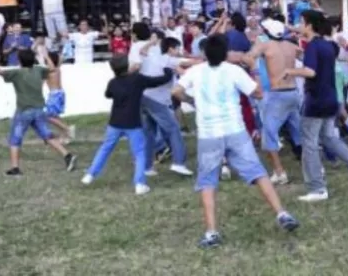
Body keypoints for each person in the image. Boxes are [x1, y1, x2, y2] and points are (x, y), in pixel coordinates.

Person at [172, 34, 299, 248]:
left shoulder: (196, 71)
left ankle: (212, 232)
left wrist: (192, 101)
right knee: (258, 173)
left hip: (209, 133)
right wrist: (255, 69)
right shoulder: (234, 71)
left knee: (207, 182)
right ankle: (282, 213)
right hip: (235, 129)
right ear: (225, 53)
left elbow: (176, 91)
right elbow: (258, 94)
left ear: (204, 53)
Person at [287, 10, 348, 202]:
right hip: (331, 98)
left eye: (301, 22)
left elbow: (311, 71)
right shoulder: (329, 45)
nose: (299, 26)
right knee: (329, 138)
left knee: (309, 143)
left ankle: (317, 188)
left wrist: (289, 70)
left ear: (309, 25)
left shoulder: (313, 47)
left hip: (315, 100)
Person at [81, 55, 174, 195]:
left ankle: (90, 174)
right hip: (132, 123)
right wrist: (168, 70)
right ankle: (139, 184)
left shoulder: (113, 82)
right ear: (127, 66)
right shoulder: (137, 79)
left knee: (105, 148)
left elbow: (108, 94)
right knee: (139, 153)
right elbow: (159, 81)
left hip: (115, 122)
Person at [0, 48, 77, 176]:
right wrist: (46, 56)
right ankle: (67, 155)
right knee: (46, 135)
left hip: (24, 110)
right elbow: (52, 69)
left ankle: (15, 168)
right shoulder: (39, 70)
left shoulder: (17, 73)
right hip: (39, 110)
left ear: (20, 60)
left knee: (15, 138)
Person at [129, 23, 193, 177]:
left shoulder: (138, 47)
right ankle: (179, 163)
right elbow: (176, 62)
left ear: (135, 34)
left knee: (148, 132)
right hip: (156, 98)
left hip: (142, 96)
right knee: (173, 129)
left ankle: (147, 166)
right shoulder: (154, 48)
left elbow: (136, 65)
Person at [246, 18, 304, 184]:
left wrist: (255, 71)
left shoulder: (265, 45)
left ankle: (279, 172)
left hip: (277, 93)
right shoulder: (291, 46)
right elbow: (304, 55)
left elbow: (249, 57)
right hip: (293, 92)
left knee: (269, 134)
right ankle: (314, 166)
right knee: (299, 131)